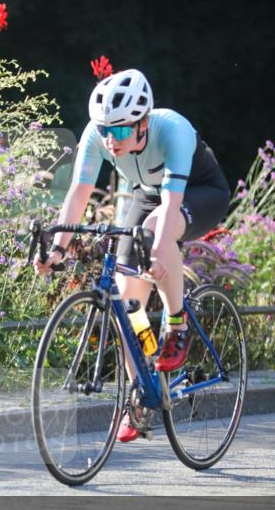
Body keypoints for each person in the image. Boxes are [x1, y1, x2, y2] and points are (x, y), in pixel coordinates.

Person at [34, 69, 231, 441]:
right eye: (106, 130)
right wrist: (58, 248)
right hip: (147, 194)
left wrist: (157, 252)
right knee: (130, 306)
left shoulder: (171, 130)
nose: (111, 140)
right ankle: (142, 394)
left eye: (121, 131)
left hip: (199, 192)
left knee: (157, 229)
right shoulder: (99, 134)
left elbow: (171, 204)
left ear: (143, 123)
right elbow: (78, 194)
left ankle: (178, 324)